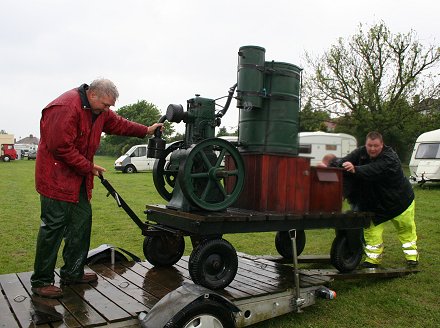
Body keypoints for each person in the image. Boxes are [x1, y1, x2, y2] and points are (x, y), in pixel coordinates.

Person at [31, 79, 163, 298]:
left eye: (110, 106)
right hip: (55, 179)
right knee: (52, 229)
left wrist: (146, 130)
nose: (108, 109)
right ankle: (41, 281)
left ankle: (73, 272)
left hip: (78, 181)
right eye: (106, 105)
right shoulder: (65, 107)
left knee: (81, 224)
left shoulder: (98, 110)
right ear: (92, 95)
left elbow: (119, 124)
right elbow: (60, 147)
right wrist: (88, 166)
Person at [334, 131, 418, 268]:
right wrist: (338, 163)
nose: (372, 149)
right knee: (372, 233)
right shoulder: (360, 152)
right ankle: (372, 260)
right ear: (365, 144)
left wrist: (355, 169)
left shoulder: (390, 158)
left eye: (376, 146)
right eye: (369, 145)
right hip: (375, 204)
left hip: (399, 202)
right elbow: (343, 162)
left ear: (382, 145)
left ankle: (412, 257)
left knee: (406, 230)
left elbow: (375, 169)